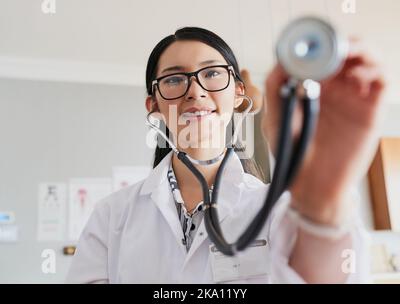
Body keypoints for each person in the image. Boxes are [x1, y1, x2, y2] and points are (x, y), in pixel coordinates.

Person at [66, 27, 385, 283]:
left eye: (212, 73)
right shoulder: (112, 216)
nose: (195, 90)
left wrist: (323, 199)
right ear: (154, 107)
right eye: (175, 79)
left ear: (238, 92)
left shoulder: (278, 210)